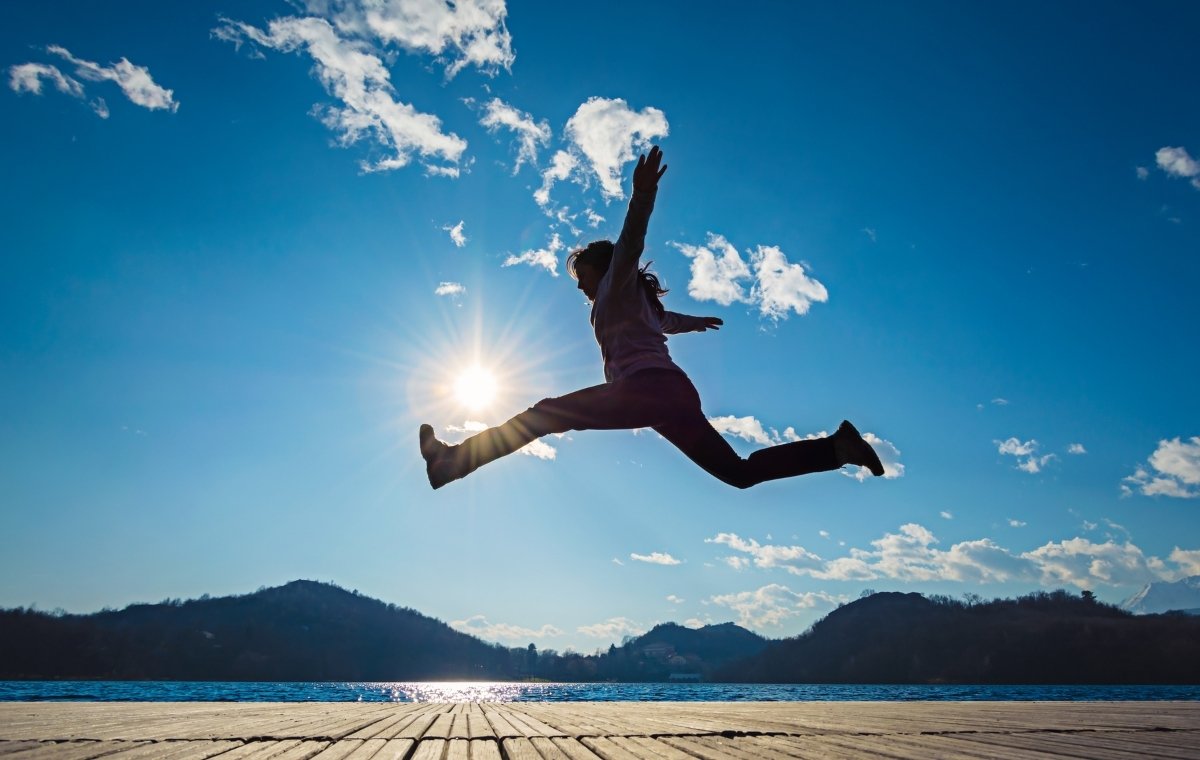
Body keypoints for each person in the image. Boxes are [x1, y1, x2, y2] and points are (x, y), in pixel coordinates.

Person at [419, 145, 884, 490]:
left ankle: (453, 462)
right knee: (739, 474)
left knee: (545, 415)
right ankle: (836, 448)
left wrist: (642, 196)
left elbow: (631, 243)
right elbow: (666, 322)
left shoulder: (616, 284)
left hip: (651, 390)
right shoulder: (635, 304)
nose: (580, 287)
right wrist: (696, 322)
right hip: (670, 396)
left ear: (603, 269)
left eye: (583, 276)